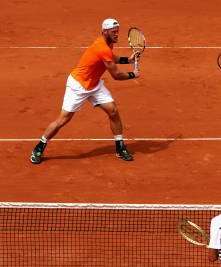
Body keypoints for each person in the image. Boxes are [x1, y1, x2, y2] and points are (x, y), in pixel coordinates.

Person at [29, 18, 140, 164]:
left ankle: (120, 148)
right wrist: (133, 74)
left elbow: (112, 57)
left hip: (94, 85)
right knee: (63, 120)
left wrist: (127, 60)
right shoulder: (102, 47)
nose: (117, 34)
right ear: (104, 31)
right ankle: (39, 147)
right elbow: (116, 75)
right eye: (114, 32)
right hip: (78, 85)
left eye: (118, 31)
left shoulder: (107, 43)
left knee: (113, 111)